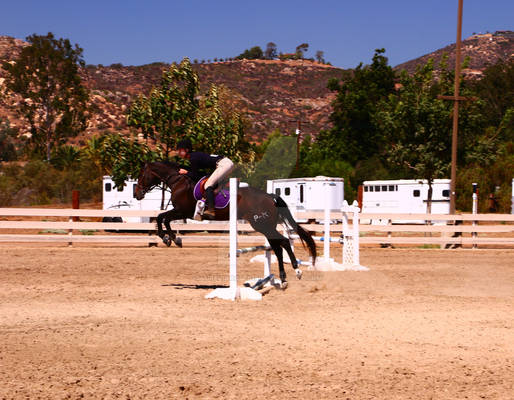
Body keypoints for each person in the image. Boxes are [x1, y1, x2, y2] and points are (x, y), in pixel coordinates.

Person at [176, 138, 234, 219]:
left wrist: (186, 173)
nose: (178, 153)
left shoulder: (193, 158)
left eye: (180, 150)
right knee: (210, 181)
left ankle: (211, 210)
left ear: (187, 149)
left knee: (208, 185)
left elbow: (195, 175)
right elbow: (200, 174)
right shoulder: (195, 156)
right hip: (225, 163)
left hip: (223, 164)